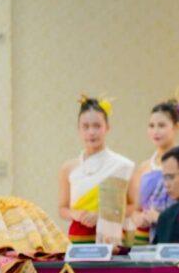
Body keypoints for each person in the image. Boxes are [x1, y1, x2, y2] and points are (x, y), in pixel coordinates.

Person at [58, 95, 135, 244]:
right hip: (78, 240)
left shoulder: (122, 166)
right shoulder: (68, 168)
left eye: (97, 126)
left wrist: (103, 215)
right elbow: (62, 209)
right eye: (85, 127)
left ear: (107, 128)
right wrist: (77, 214)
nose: (91, 132)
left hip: (112, 242)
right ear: (79, 130)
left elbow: (133, 207)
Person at [127, 93, 179, 244]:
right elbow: (135, 208)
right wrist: (138, 217)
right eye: (151, 126)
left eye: (161, 125)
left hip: (177, 236)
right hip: (145, 237)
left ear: (176, 127)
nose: (155, 131)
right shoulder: (144, 167)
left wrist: (161, 217)